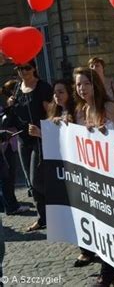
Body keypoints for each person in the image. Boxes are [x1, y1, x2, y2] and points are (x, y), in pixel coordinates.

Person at [73, 67, 114, 286]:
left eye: (85, 83)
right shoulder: (82, 110)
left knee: (113, 224)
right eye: (77, 84)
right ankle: (109, 270)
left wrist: (107, 135)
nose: (81, 88)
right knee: (101, 225)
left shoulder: (109, 106)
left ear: (95, 84)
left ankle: (109, 273)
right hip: (93, 177)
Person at [5, 60, 52, 232]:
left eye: (27, 68)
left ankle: (56, 210)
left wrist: (42, 129)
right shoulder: (17, 89)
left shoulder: (43, 88)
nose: (24, 71)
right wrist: (11, 104)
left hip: (39, 139)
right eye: (20, 68)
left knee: (36, 180)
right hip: (23, 140)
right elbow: (15, 114)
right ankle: (43, 218)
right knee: (32, 184)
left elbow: (52, 113)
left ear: (34, 69)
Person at [0, 80, 29, 216]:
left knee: (8, 175)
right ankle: (11, 206)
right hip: (5, 143)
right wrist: (11, 108)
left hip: (9, 142)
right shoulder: (7, 104)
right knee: (6, 176)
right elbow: (5, 122)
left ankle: (10, 203)